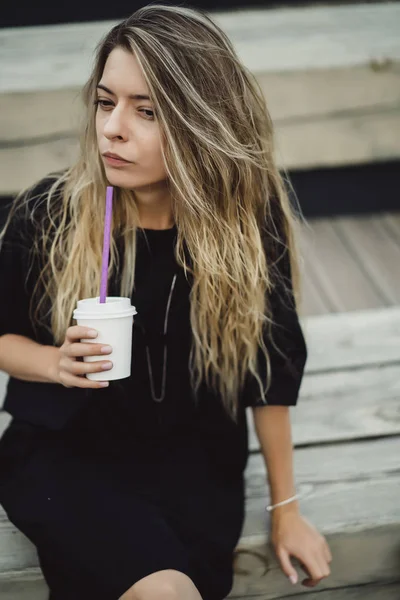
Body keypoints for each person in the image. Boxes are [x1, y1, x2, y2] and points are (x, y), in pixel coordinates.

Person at [0, 4, 332, 600]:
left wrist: (286, 507)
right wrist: (54, 364)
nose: (112, 129)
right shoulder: (51, 214)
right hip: (68, 452)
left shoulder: (244, 230)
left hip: (193, 463)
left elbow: (271, 372)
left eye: (146, 111)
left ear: (201, 122)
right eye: (106, 103)